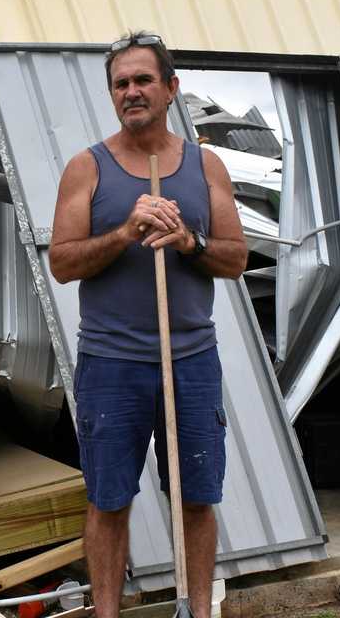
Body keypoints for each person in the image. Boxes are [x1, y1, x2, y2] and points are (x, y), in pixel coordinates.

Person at [49, 32, 247, 618]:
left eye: (143, 80)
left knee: (196, 498)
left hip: (190, 360)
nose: (131, 92)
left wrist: (189, 241)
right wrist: (123, 233)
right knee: (109, 499)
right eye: (120, 83)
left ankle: (197, 610)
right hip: (111, 364)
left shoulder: (204, 165)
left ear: (171, 89)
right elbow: (62, 263)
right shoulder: (87, 167)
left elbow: (235, 259)